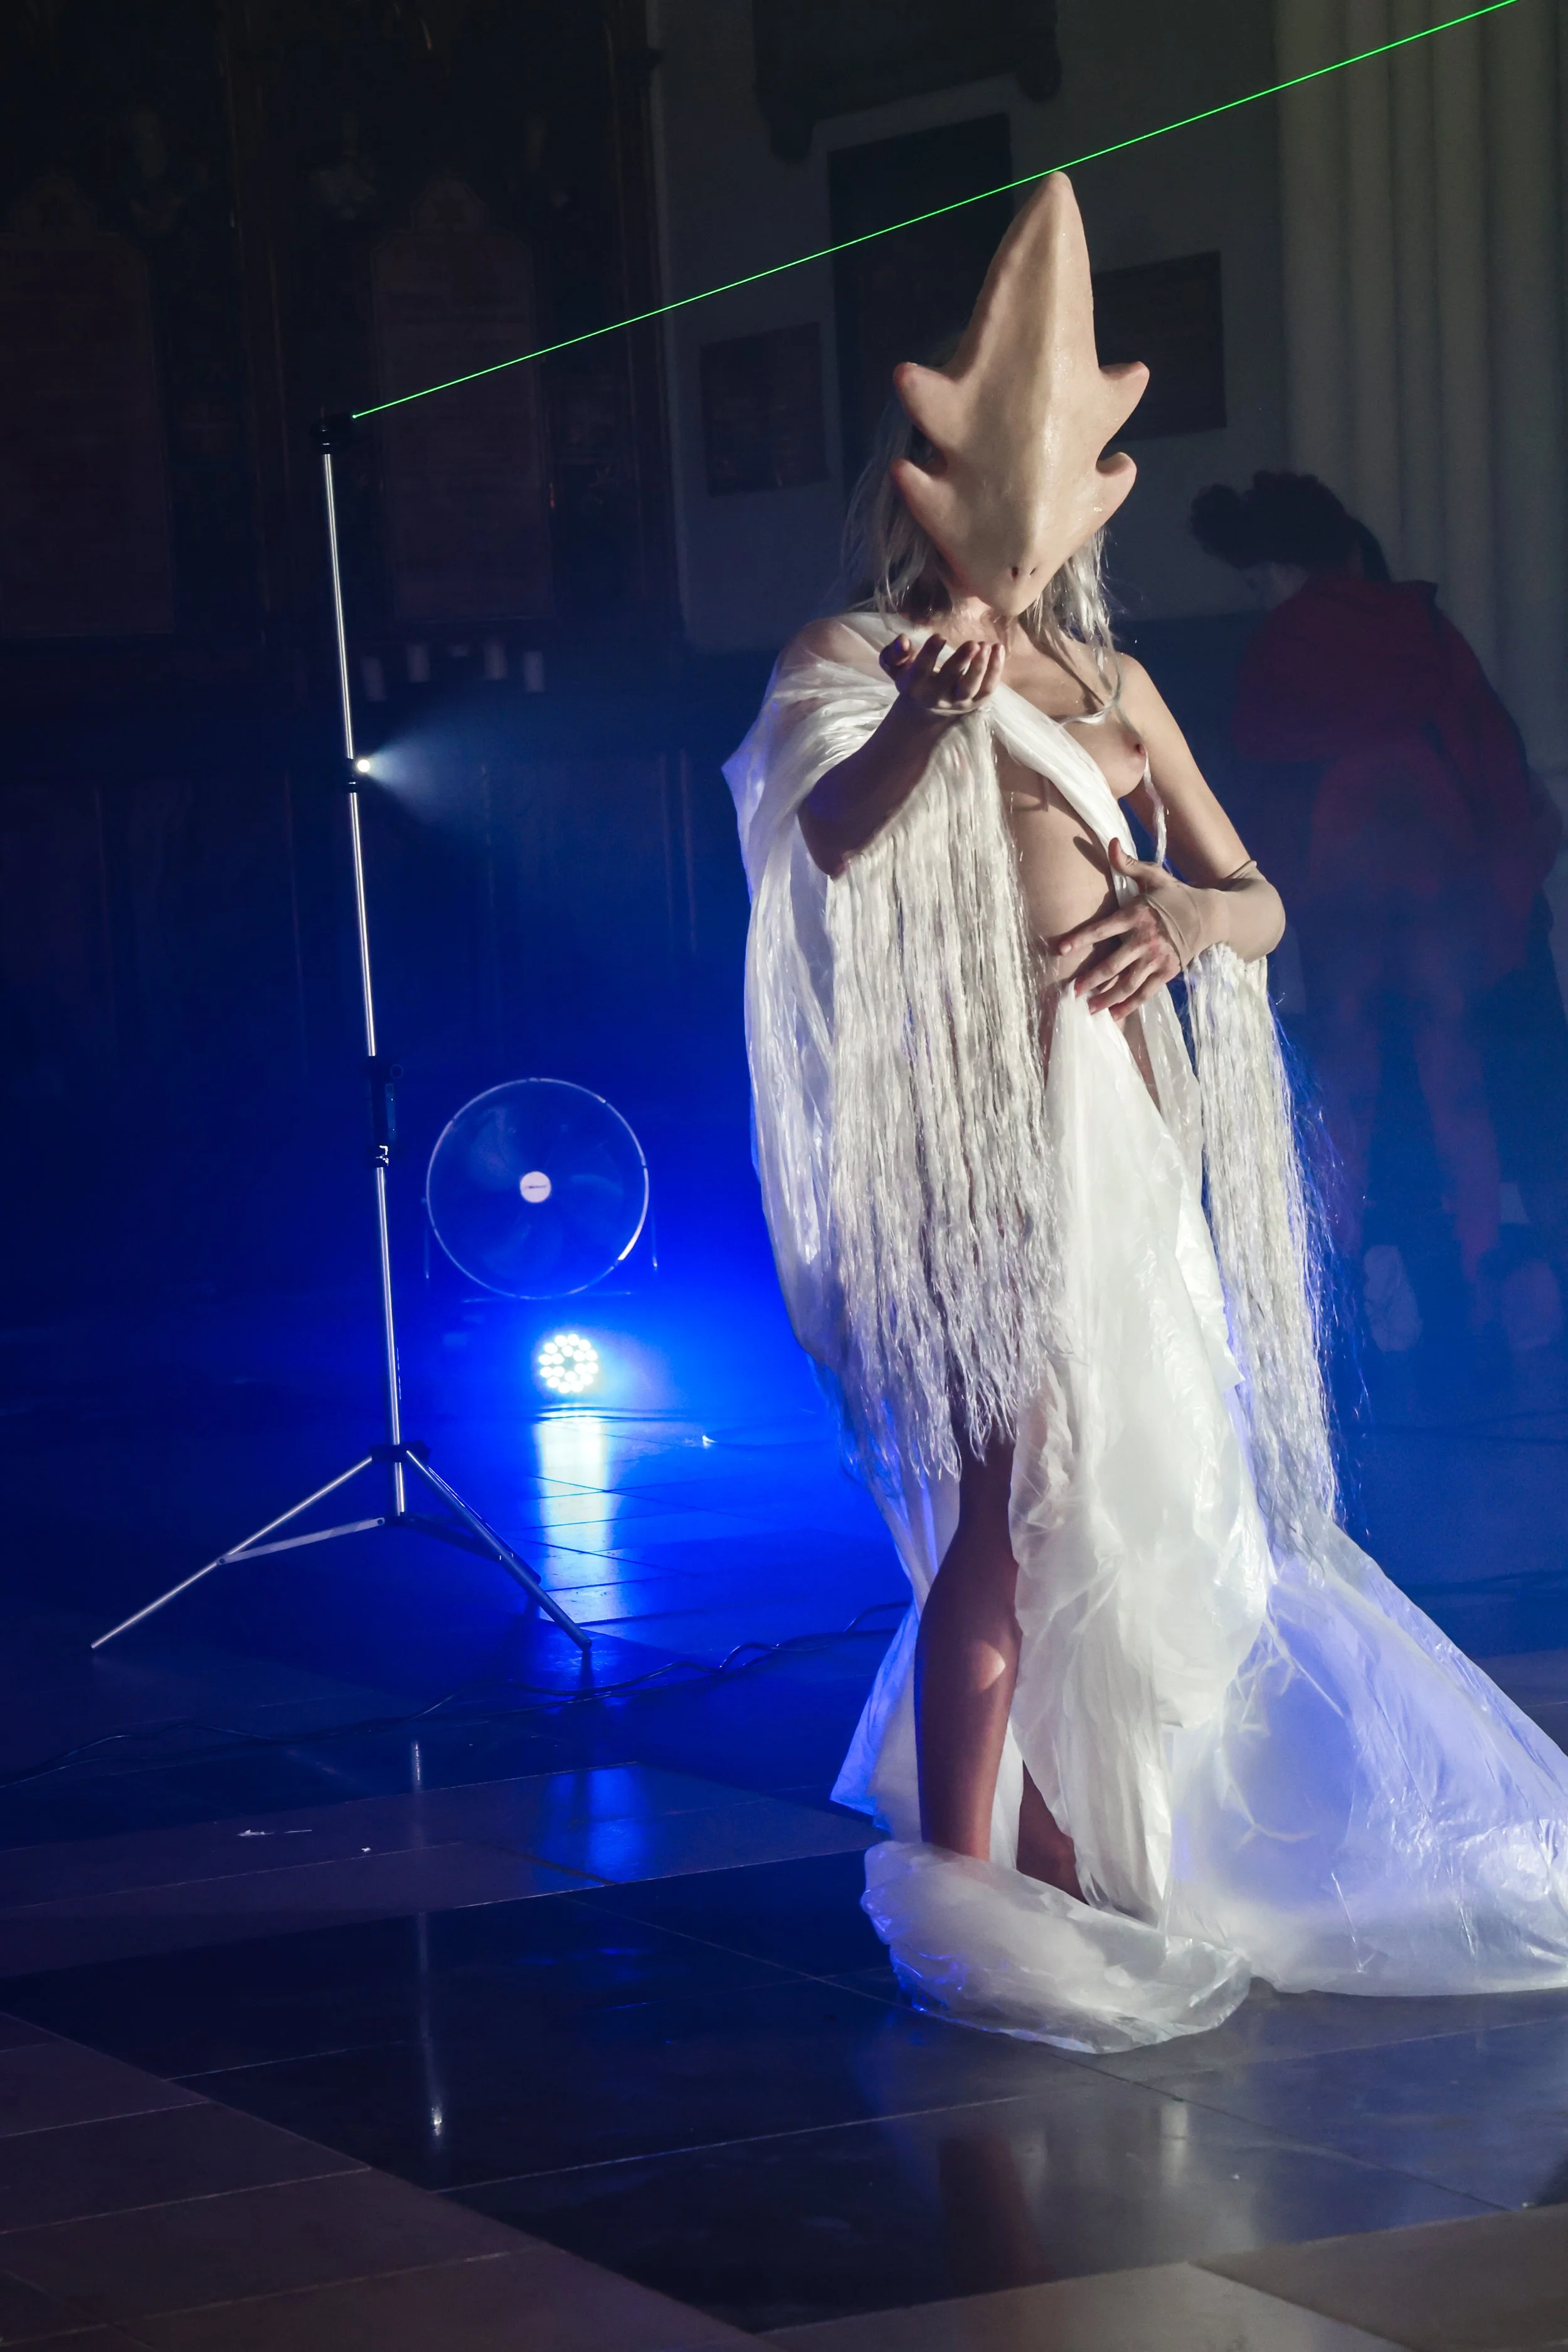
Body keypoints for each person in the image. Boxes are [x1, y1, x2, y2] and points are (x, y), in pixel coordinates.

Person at [725, 176, 1568, 2051]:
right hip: (980, 1140)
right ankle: (965, 1884)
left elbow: (1255, 893)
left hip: (1129, 1131)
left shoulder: (1114, 684)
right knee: (999, 1512)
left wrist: (1187, 910)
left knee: (1136, 1497)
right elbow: (832, 858)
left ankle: (1087, 1835)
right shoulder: (850, 665)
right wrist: (936, 722)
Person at [1190, 471, 1565, 1349]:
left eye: (1255, 579)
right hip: (1440, 880)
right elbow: (1487, 751)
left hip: (1339, 886)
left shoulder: (1283, 644)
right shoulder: (1419, 624)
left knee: (1347, 1088)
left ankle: (1338, 1298)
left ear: (1280, 565)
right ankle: (1476, 1289)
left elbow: (1258, 783)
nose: (1258, 596)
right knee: (1456, 1077)